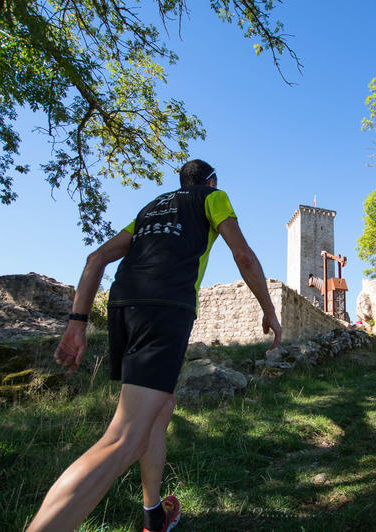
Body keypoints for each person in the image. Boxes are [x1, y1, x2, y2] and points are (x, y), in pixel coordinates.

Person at [27, 159, 282, 532]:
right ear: (210, 182)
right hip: (165, 309)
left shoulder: (151, 209)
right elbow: (242, 255)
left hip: (123, 307)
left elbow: (96, 258)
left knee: (159, 409)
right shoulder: (212, 198)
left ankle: (153, 516)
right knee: (123, 440)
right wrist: (269, 310)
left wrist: (76, 324)